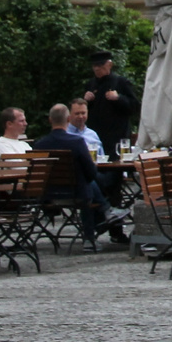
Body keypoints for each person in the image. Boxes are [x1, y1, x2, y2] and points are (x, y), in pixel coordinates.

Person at [34, 104, 129, 250]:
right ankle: (95, 230)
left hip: (49, 194)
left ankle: (105, 212)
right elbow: (91, 172)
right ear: (68, 118)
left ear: (49, 120)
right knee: (87, 182)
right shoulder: (76, 142)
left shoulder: (39, 145)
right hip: (78, 193)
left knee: (85, 182)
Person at [81, 50, 138, 161]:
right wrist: (85, 101)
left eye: (100, 65)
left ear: (109, 64)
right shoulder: (90, 85)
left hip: (116, 139)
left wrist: (119, 98)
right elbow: (81, 110)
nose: (97, 68)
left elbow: (135, 106)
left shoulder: (121, 82)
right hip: (96, 138)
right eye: (94, 65)